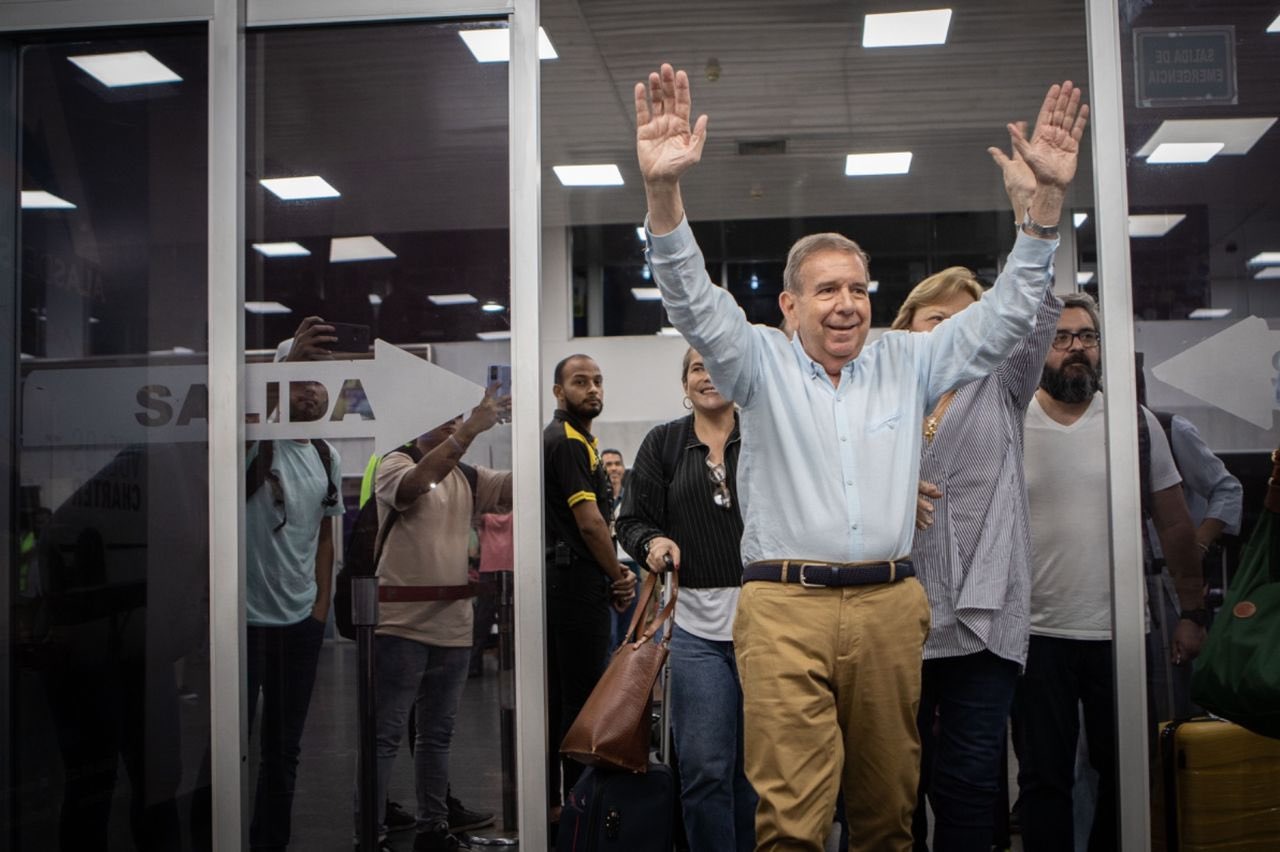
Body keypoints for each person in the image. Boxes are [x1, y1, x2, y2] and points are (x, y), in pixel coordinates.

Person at [635, 63, 1086, 850]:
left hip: (889, 608)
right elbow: (692, 301)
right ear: (789, 305)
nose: (846, 303)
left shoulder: (908, 363)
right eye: (825, 290)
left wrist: (1043, 204)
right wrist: (664, 197)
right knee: (793, 822)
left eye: (858, 287)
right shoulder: (757, 366)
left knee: (888, 814)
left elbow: (1009, 314)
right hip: (783, 610)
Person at [901, 132, 1061, 851]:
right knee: (896, 781)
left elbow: (1030, 308)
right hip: (896, 617)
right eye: (937, 320)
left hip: (982, 619)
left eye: (970, 322)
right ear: (906, 330)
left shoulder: (1004, 382)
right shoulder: (882, 396)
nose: (954, 333)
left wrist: (1037, 216)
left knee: (969, 782)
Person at [1015, 293, 1205, 852]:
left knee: (1122, 772)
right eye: (1061, 338)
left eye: (1087, 337)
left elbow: (1173, 524)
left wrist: (1192, 612)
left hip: (1118, 631)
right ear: (1038, 350)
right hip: (1033, 634)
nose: (1076, 349)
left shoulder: (1133, 423)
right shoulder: (1010, 421)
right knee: (1041, 779)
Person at [615, 348, 757, 852]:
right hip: (695, 629)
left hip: (770, 624)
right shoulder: (664, 443)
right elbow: (630, 520)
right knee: (704, 771)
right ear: (685, 380)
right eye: (698, 367)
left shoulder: (764, 434)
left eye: (718, 365)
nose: (708, 375)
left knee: (760, 774)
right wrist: (652, 543)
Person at [362, 389, 510, 852]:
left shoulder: (466, 476)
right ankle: (370, 833)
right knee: (386, 734)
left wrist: (550, 441)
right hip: (401, 623)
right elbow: (412, 488)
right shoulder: (394, 464)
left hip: (452, 624)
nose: (452, 420)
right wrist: (469, 431)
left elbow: (514, 488)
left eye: (455, 414)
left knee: (437, 734)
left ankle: (434, 826)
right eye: (440, 414)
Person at [245, 317, 345, 851]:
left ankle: (269, 844)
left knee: (283, 751)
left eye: (317, 380)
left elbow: (326, 539)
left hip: (299, 625)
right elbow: (247, 468)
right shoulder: (256, 441)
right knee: (229, 745)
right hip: (246, 623)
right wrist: (285, 368)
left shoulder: (327, 455)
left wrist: (320, 608)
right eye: (302, 379)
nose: (312, 391)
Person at [543, 354, 638, 818]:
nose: (593, 389)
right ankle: (576, 808)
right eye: (580, 382)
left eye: (598, 381)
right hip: (575, 584)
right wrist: (618, 576)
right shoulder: (567, 442)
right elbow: (590, 524)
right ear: (559, 392)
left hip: (574, 583)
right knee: (581, 699)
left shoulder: (581, 439)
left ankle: (564, 803)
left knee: (569, 696)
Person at [602, 448, 642, 648]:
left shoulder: (632, 499)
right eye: (608, 464)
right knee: (609, 633)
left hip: (632, 567)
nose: (614, 468)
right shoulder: (598, 502)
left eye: (617, 463)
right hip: (608, 569)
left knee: (630, 633)